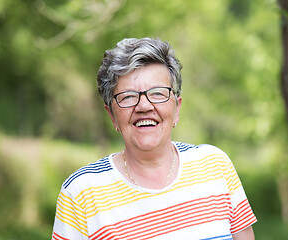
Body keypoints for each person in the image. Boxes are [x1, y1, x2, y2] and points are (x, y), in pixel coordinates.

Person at [51, 37, 257, 240]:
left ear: (177, 108)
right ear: (112, 115)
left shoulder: (214, 165)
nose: (144, 107)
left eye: (158, 93)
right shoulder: (80, 193)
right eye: (128, 96)